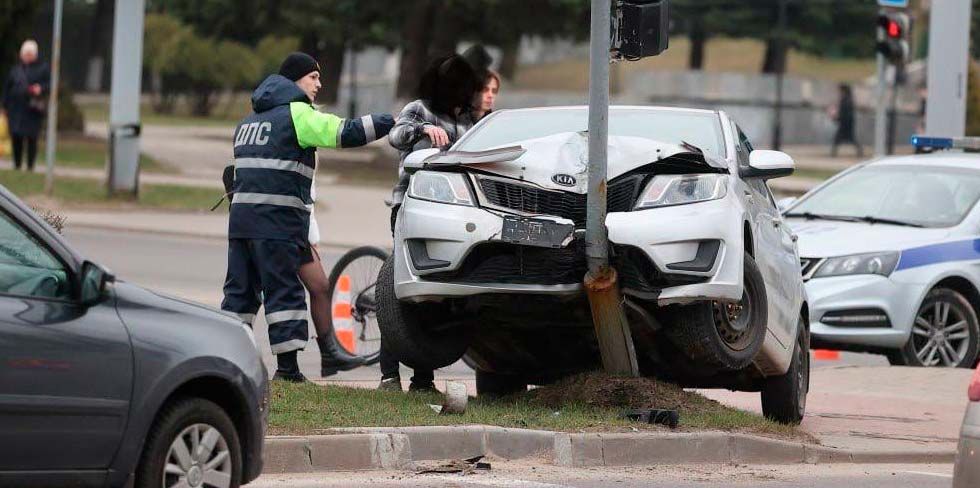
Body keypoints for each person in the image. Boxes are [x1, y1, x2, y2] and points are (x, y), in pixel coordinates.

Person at [222, 52, 393, 382]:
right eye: (313, 77)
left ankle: (227, 361)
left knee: (240, 295)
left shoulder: (248, 122)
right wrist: (392, 121)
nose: (319, 83)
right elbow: (346, 131)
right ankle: (288, 371)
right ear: (294, 80)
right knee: (284, 293)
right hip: (277, 224)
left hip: (242, 224)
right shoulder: (298, 114)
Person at [381, 53, 482, 392]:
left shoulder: (468, 122)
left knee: (434, 294)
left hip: (453, 216)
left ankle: (423, 379)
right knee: (400, 291)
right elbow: (395, 135)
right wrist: (423, 130)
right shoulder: (420, 109)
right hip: (410, 208)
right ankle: (388, 375)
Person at [2, 40, 50, 171]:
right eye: (25, 54)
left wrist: (40, 88)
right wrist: (4, 106)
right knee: (16, 137)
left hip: (33, 109)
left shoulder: (43, 68)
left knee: (32, 138)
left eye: (30, 54)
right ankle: (17, 165)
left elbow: (50, 85)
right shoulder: (16, 69)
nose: (27, 57)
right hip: (16, 109)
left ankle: (30, 166)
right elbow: (7, 87)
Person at [830, 83, 863, 158]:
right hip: (846, 123)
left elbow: (844, 113)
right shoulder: (847, 99)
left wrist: (837, 118)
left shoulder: (846, 100)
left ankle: (833, 153)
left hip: (846, 124)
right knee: (846, 139)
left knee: (841, 138)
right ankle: (833, 153)